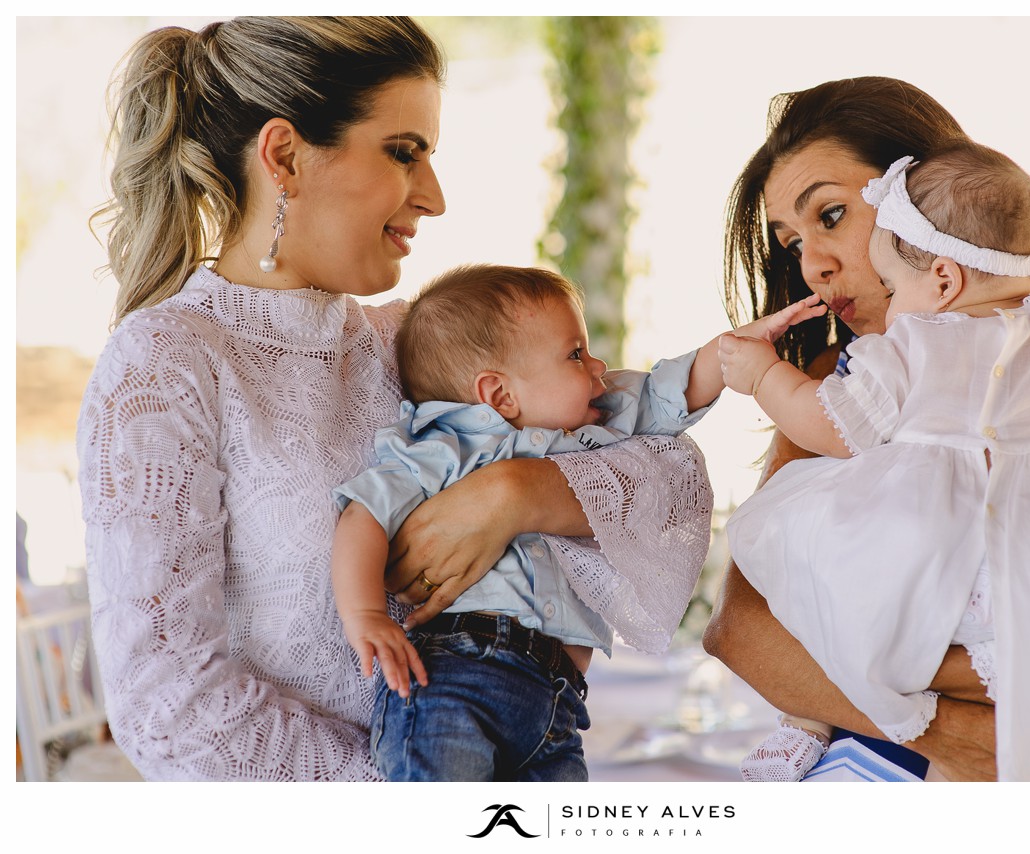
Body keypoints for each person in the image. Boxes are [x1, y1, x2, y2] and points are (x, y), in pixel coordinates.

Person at [76, 17, 714, 782]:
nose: (436, 198)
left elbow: (671, 478)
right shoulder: (164, 364)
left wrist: (522, 491)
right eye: (404, 153)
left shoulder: (406, 344)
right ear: (284, 157)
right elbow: (166, 706)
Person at [703, 76, 1030, 782]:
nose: (811, 263)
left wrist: (894, 682)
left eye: (831, 215)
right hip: (880, 764)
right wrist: (947, 729)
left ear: (924, 202)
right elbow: (742, 633)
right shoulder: (844, 375)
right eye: (791, 241)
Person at [329, 263, 821, 781]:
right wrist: (365, 614)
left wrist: (734, 348)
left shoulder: (591, 428)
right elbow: (363, 515)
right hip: (457, 677)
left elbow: (663, 393)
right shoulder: (443, 448)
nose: (598, 365)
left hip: (556, 703)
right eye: (575, 354)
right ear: (499, 395)